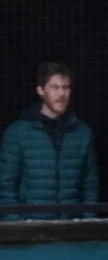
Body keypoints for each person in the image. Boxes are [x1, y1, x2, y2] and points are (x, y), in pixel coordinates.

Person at [0, 62, 99, 221]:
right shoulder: (18, 132)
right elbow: (5, 187)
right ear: (40, 90)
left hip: (73, 230)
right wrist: (17, 226)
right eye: (55, 87)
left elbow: (90, 186)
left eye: (66, 87)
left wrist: (87, 221)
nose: (62, 93)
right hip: (30, 232)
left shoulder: (83, 133)